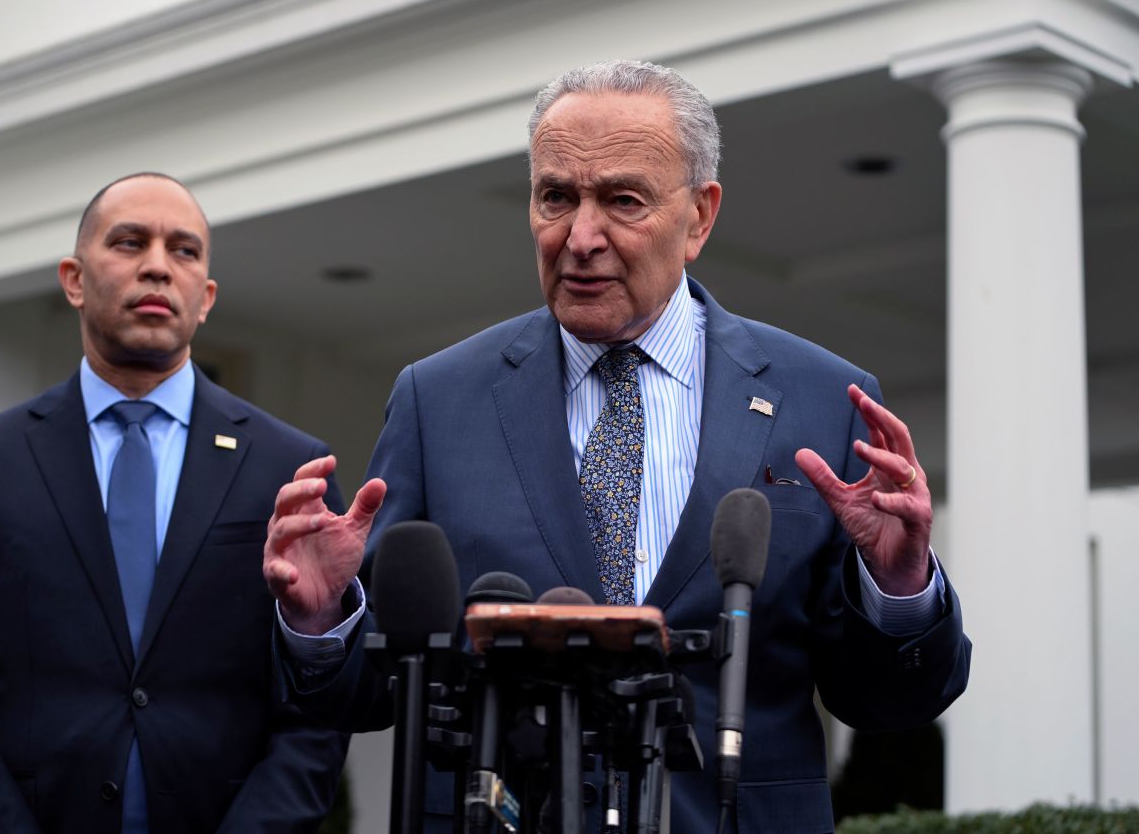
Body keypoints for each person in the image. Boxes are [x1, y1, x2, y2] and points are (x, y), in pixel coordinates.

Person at [264, 61, 970, 833]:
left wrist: (898, 586)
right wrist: (321, 617)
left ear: (699, 217)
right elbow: (369, 689)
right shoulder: (438, 399)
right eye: (556, 197)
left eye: (622, 200)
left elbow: (886, 702)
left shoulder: (819, 399)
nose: (581, 236)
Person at [0, 173, 349, 834]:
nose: (158, 267)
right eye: (130, 242)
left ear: (207, 298)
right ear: (74, 278)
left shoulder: (287, 469)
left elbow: (314, 715)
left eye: (185, 250)